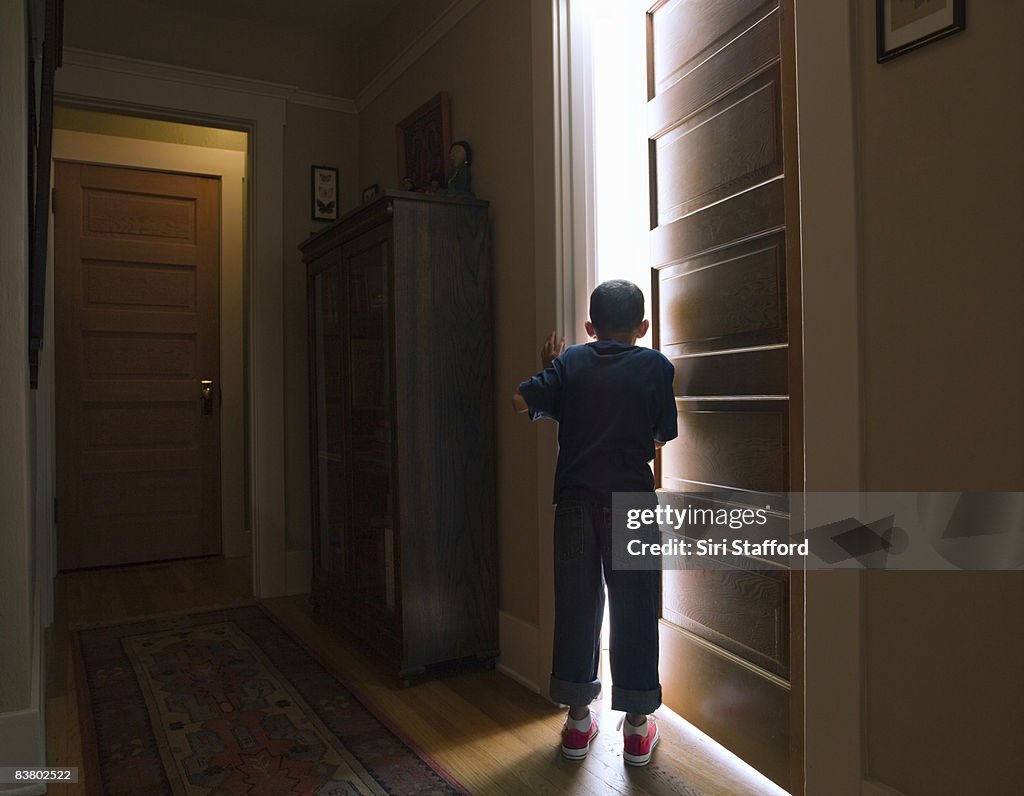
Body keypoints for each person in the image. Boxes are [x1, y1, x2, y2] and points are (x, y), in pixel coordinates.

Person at [512, 279, 677, 766]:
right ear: (643, 327)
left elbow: (521, 402)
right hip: (632, 504)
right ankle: (638, 729)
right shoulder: (655, 366)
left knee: (579, 606)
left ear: (589, 327)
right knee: (636, 608)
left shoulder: (570, 363)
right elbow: (663, 434)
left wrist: (554, 375)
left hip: (577, 506)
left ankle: (579, 723)